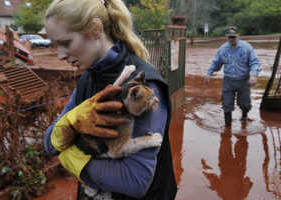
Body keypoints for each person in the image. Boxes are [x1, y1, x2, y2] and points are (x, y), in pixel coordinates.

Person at [43, 0, 177, 199]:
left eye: (65, 43)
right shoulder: (88, 77)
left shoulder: (145, 86)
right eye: (55, 45)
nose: (60, 55)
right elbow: (48, 143)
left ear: (96, 29)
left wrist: (70, 156)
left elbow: (135, 181)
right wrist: (70, 124)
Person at [205, 26, 261, 126]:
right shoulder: (222, 49)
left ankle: (244, 116)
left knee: (245, 104)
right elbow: (216, 62)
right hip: (228, 81)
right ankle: (227, 127)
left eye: (233, 37)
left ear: (238, 36)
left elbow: (255, 62)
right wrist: (209, 72)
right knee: (226, 104)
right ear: (227, 37)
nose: (231, 39)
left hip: (243, 81)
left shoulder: (247, 48)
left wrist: (253, 75)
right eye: (229, 37)